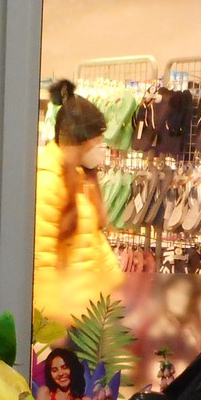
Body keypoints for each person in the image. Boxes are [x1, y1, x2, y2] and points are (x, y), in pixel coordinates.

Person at [33, 80, 122, 325]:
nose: (102, 149)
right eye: (98, 142)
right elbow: (41, 259)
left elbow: (93, 239)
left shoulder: (78, 177)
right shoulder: (48, 182)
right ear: (81, 141)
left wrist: (117, 285)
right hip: (65, 317)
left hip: (87, 311)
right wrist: (50, 320)